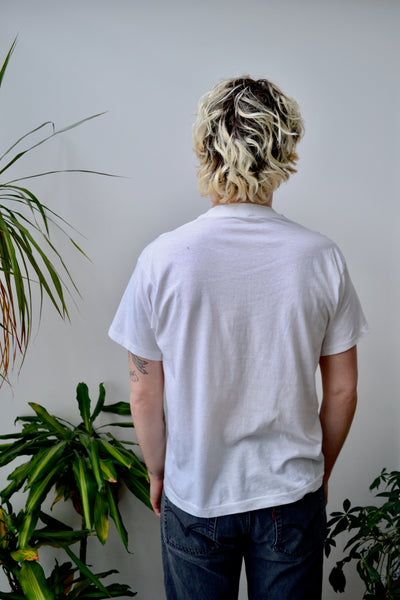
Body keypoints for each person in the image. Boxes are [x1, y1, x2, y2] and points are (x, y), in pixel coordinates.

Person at [108, 76, 368, 600]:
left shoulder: (162, 259)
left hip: (195, 492)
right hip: (289, 493)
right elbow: (342, 391)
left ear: (205, 149)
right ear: (283, 149)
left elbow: (143, 390)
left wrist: (159, 472)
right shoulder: (320, 258)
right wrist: (317, 473)